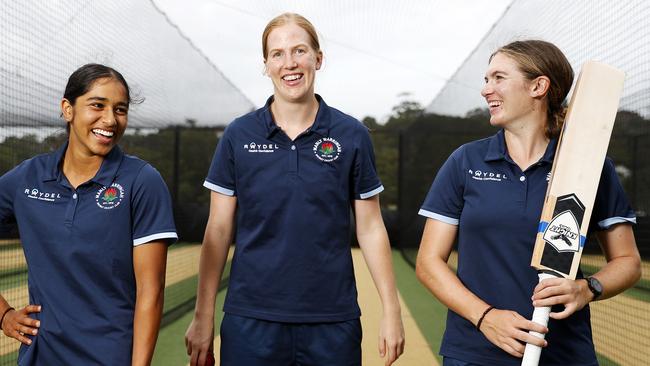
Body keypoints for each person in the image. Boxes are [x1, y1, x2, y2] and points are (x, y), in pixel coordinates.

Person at [185, 12, 405, 366]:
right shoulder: (238, 136)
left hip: (333, 319)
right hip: (250, 320)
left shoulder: (352, 135)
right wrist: (203, 314)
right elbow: (219, 228)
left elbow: (370, 226)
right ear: (266, 65)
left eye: (299, 51)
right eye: (278, 53)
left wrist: (391, 310)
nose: (290, 63)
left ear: (318, 59)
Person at [415, 40, 641, 366]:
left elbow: (628, 261)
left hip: (564, 354)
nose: (485, 89)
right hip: (474, 352)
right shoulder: (465, 161)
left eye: (498, 78)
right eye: (486, 79)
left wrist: (587, 288)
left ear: (538, 86)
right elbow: (428, 262)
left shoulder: (590, 167)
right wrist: (486, 317)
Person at [0, 64, 177, 365]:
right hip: (40, 356)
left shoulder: (142, 181)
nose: (109, 119)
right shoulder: (28, 178)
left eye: (120, 110)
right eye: (97, 105)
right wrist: (4, 315)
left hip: (110, 357)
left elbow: (151, 292)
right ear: (67, 109)